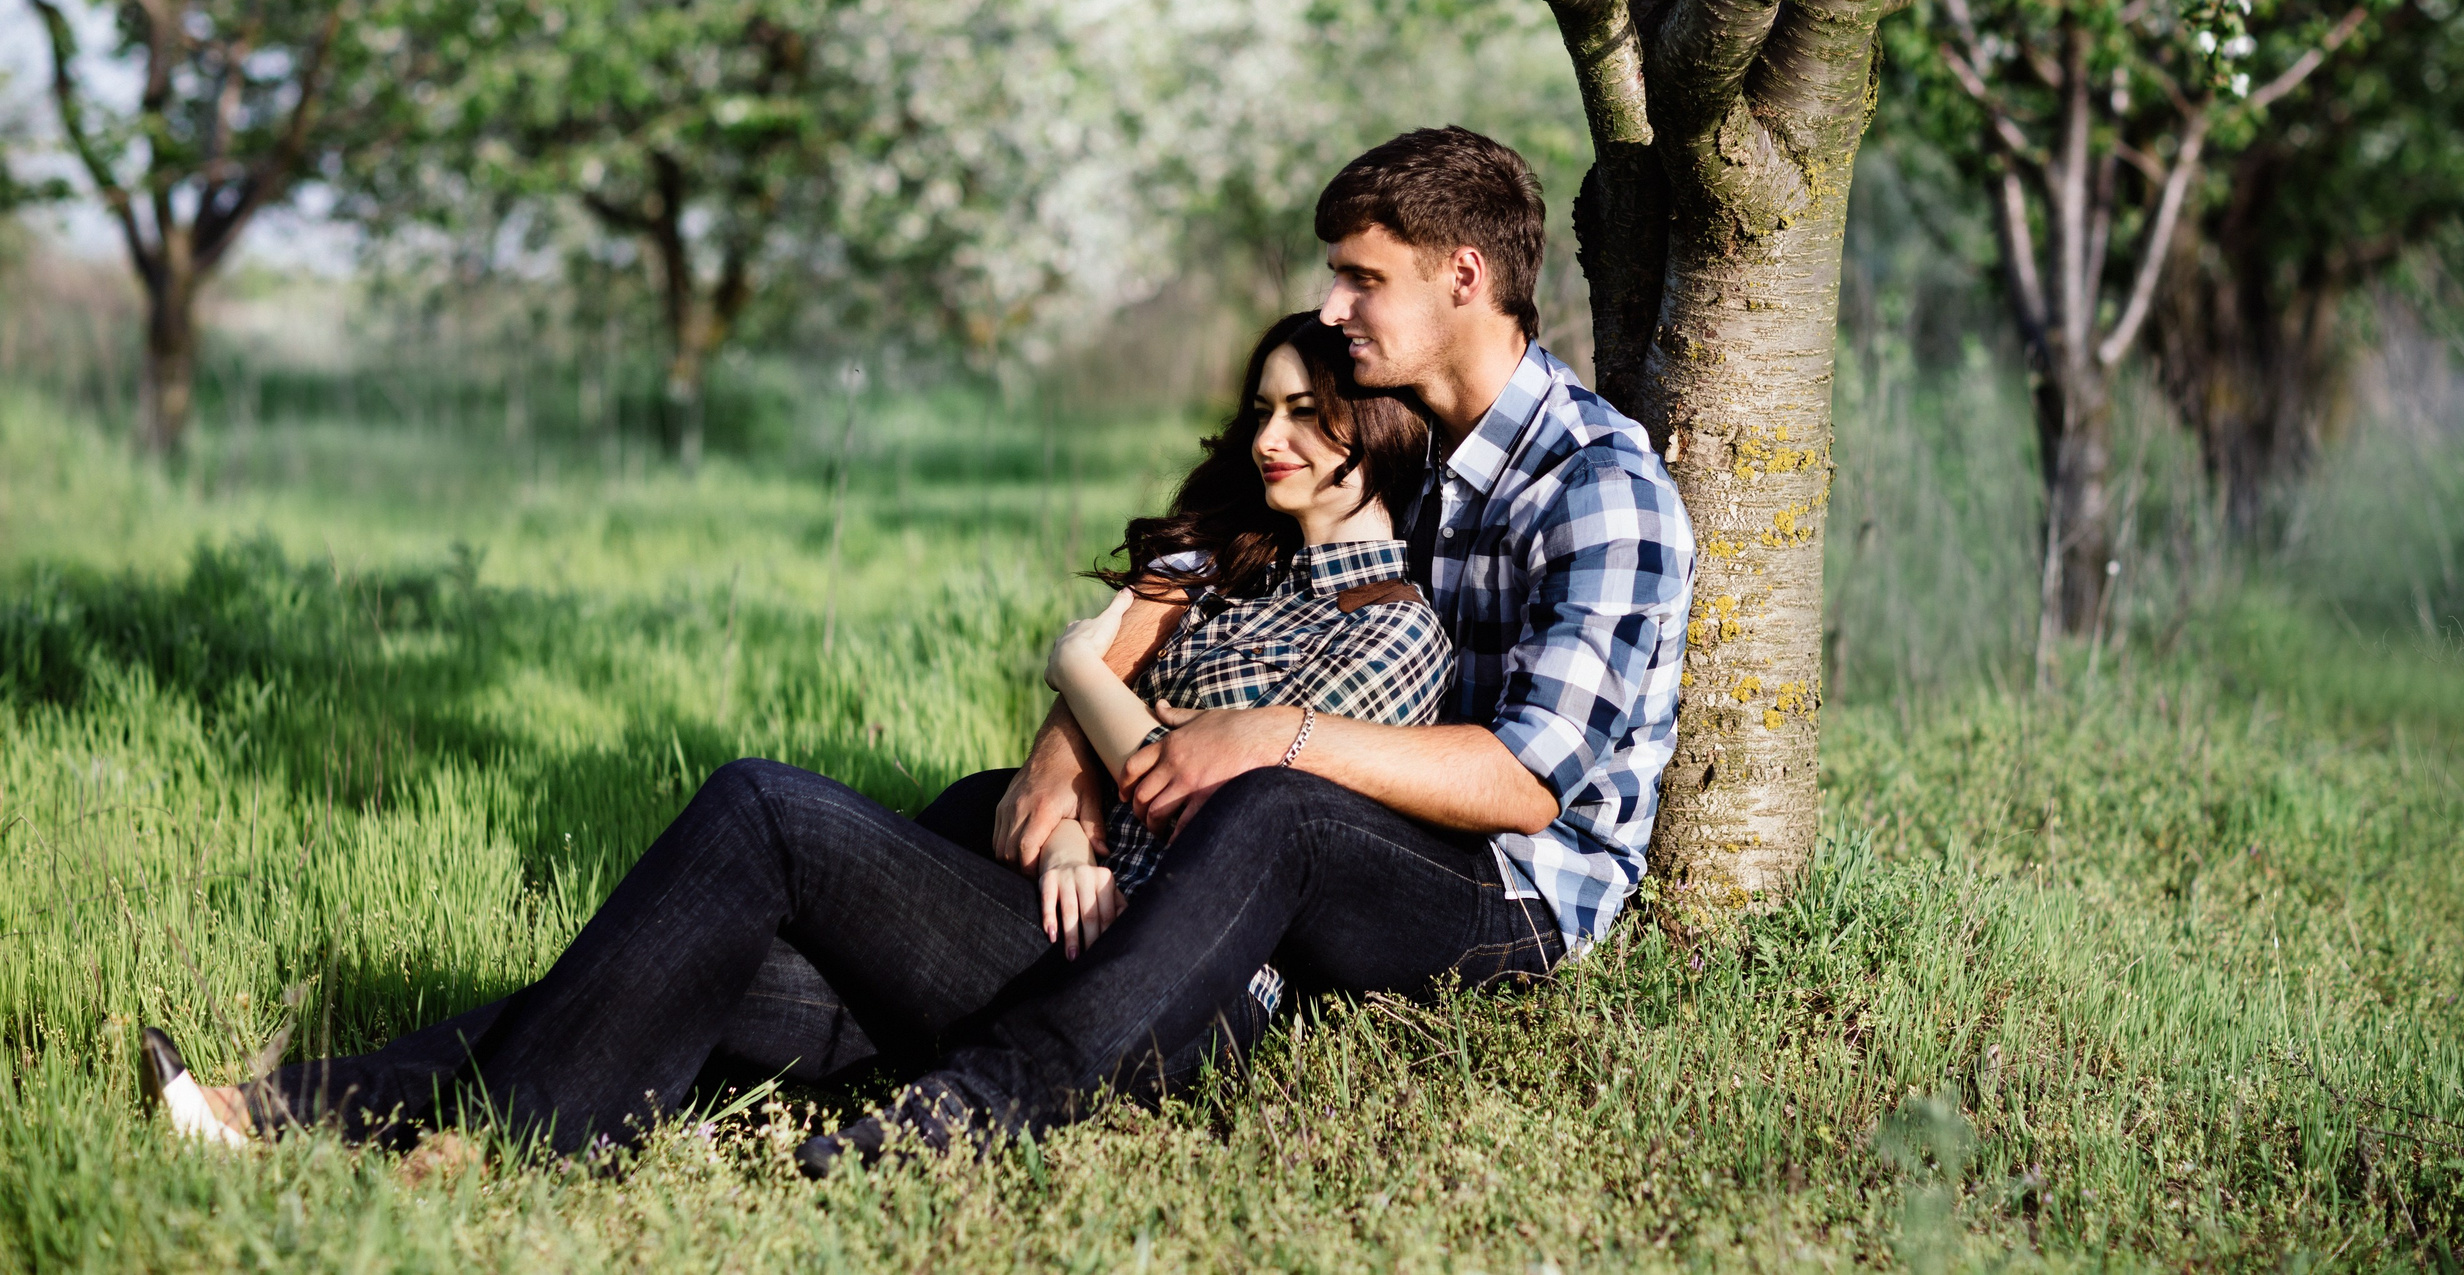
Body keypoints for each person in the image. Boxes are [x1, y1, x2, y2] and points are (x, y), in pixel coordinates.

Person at [150, 125, 1697, 1171]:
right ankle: (296, 1109)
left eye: (1360, 278)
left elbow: (1524, 785)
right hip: (1239, 880)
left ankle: (989, 1096)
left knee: (796, 808)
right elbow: (1168, 595)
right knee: (769, 973)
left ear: (1462, 278)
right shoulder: (1403, 453)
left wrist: (1259, 743)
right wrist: (1066, 765)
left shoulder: (1600, 486)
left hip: (1492, 901)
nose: (1330, 307)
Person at [143, 314, 1449, 1155]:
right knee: (678, 966)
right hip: (1046, 920)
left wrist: (1083, 693)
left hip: (1161, 998)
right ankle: (272, 1115)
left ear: (1375, 430)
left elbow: (1200, 800)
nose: (1269, 437)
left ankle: (491, 1155)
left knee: (765, 809)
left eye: (1309, 415)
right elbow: (1119, 744)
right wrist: (1076, 812)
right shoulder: (1236, 572)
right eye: (1264, 409)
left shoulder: (1396, 639)